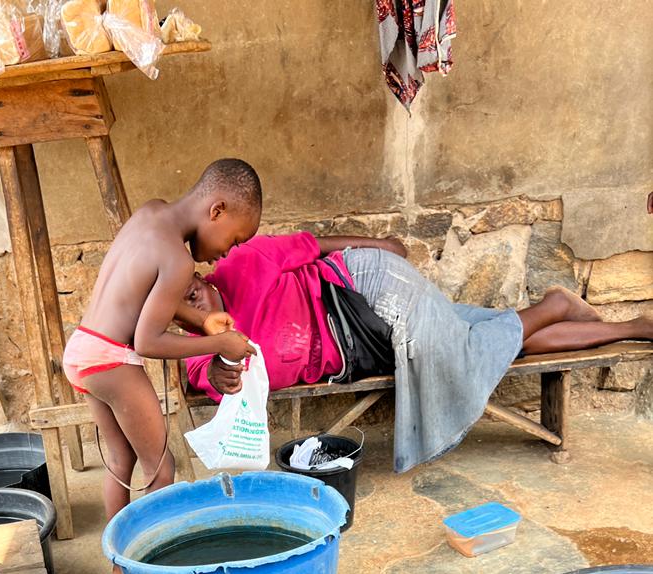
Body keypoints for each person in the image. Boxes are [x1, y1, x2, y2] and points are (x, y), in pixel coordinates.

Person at [182, 232, 653, 470]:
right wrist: (221, 366)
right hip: (367, 346)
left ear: (202, 277)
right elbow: (210, 375)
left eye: (193, 290)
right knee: (498, 343)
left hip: (363, 290)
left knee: (466, 352)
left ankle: (553, 307)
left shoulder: (243, 263)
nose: (194, 303)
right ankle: (629, 326)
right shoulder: (198, 347)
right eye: (181, 306)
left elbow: (314, 246)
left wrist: (381, 244)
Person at [63, 158, 262, 525]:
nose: (226, 253)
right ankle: (150, 554)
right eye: (233, 240)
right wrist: (220, 345)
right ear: (217, 211)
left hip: (83, 349)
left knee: (121, 459)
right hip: (112, 360)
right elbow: (148, 341)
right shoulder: (178, 261)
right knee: (161, 467)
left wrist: (203, 320)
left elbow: (144, 295)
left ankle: (118, 554)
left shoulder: (150, 212)